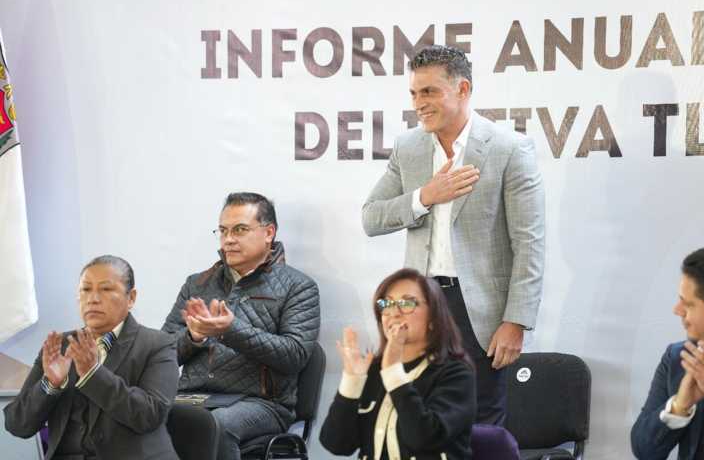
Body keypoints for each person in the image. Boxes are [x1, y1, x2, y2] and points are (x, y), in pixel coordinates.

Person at [362, 44, 545, 424]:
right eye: (414, 93)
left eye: (429, 92)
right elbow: (371, 218)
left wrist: (516, 321)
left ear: (462, 89)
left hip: (478, 312)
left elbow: (529, 243)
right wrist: (424, 197)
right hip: (419, 306)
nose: (419, 103)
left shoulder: (509, 149)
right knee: (417, 422)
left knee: (479, 426)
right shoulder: (408, 147)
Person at [161, 192, 320, 460]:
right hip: (192, 396)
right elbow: (162, 354)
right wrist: (194, 336)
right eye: (223, 231)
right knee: (136, 413)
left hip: (261, 403)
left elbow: (295, 355)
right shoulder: (197, 284)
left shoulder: (299, 287)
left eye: (240, 230)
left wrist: (230, 330)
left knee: (214, 426)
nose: (229, 239)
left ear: (269, 232)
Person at [4, 255, 179, 460]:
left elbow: (149, 416)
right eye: (86, 289)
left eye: (106, 289)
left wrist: (93, 374)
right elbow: (17, 425)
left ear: (131, 298)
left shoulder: (158, 344)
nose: (93, 298)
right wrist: (50, 384)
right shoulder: (60, 346)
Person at [320, 268, 476, 460]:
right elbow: (336, 444)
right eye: (386, 303)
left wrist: (393, 373)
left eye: (407, 303)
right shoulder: (373, 369)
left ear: (434, 318)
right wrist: (352, 382)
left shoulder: (456, 373)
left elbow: (424, 438)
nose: (393, 312)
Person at [632, 246, 704, 459]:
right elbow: (644, 451)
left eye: (688, 304)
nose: (676, 310)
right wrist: (680, 406)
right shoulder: (678, 357)